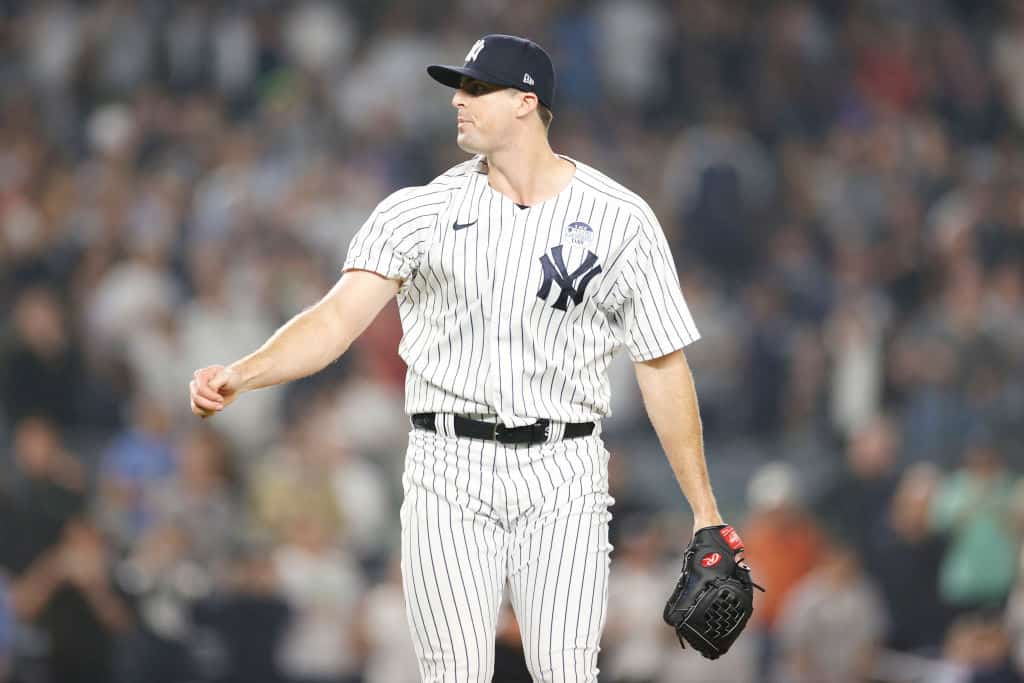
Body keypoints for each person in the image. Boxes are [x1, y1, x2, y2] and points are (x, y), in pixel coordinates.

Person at [189, 33, 740, 683]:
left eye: (476, 88)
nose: (457, 100)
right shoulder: (417, 212)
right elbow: (336, 319)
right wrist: (242, 373)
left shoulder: (622, 220)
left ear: (524, 103)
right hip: (447, 467)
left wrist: (706, 509)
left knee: (567, 672)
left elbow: (661, 364)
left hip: (565, 468)